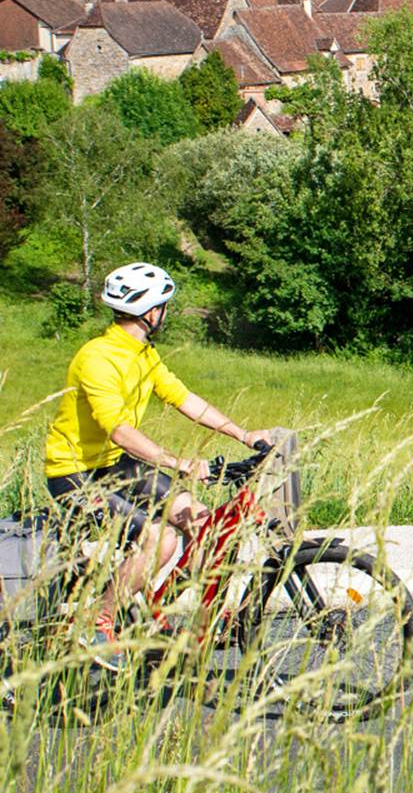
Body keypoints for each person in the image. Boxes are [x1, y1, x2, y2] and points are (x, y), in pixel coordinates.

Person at [44, 263, 274, 662]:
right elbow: (118, 429)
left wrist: (243, 433)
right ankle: (98, 617)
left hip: (113, 466)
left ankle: (164, 611)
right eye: (164, 306)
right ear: (151, 311)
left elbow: (183, 398)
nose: (165, 313)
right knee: (159, 538)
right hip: (74, 473)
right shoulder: (97, 357)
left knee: (204, 522)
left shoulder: (143, 355)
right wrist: (177, 461)